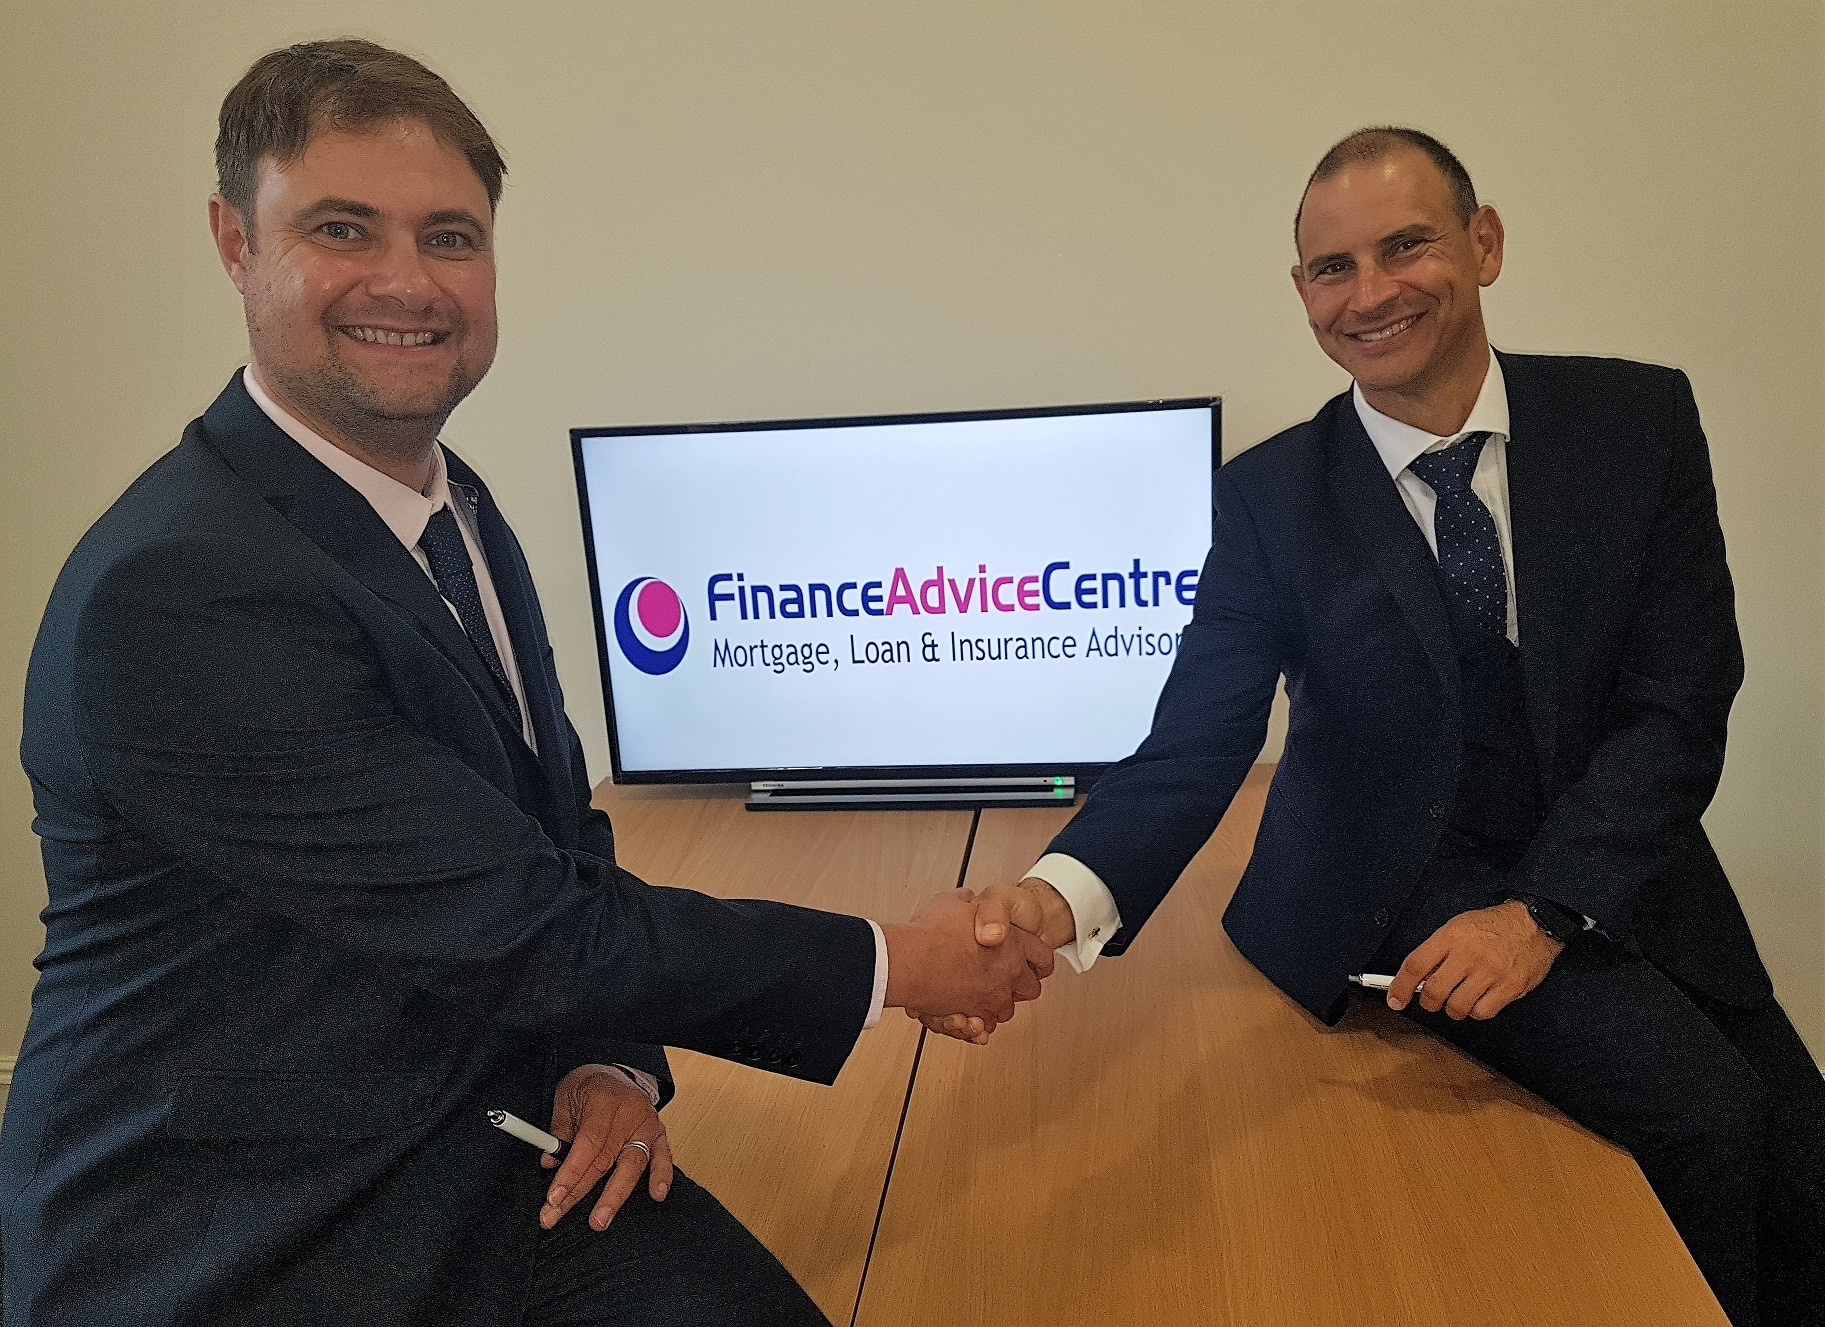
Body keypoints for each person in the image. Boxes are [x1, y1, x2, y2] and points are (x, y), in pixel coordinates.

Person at [0, 39, 1051, 1327]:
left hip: (493, 1120)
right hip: (243, 1223)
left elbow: (547, 839)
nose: (408, 282)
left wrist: (607, 1054)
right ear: (234, 240)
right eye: (342, 227)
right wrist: (894, 961)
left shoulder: (451, 502)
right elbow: (523, 928)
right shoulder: (180, 593)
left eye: (450, 236)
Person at [951, 128, 1824, 1325]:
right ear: (1303, 292)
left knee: (1799, 1140)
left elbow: (1681, 699)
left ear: (1484, 242)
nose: (1369, 295)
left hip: (1605, 855)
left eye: (1404, 246)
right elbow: (1199, 741)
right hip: (1397, 870)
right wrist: (1056, 902)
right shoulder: (1266, 496)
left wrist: (1543, 909)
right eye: (1331, 268)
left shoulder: (1639, 421)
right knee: (1712, 1117)